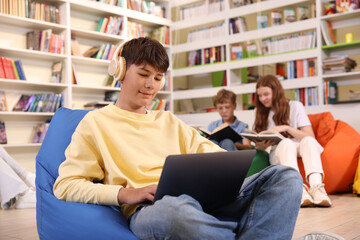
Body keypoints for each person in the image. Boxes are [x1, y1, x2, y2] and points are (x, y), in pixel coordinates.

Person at [53, 37, 341, 240]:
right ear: (119, 71)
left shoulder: (168, 121)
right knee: (178, 212)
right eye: (143, 74)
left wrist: (227, 170)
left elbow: (212, 154)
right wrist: (125, 193)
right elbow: (65, 186)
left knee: (286, 178)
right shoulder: (96, 123)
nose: (152, 85)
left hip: (204, 199)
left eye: (158, 77)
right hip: (152, 209)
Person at [253, 74, 332, 207]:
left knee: (308, 141)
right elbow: (260, 148)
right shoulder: (261, 113)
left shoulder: (295, 106)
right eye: (260, 96)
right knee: (286, 143)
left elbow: (310, 136)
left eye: (266, 94)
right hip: (279, 151)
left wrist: (286, 128)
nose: (263, 99)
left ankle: (317, 189)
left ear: (276, 91)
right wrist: (261, 145)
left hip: (299, 147)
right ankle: (299, 190)